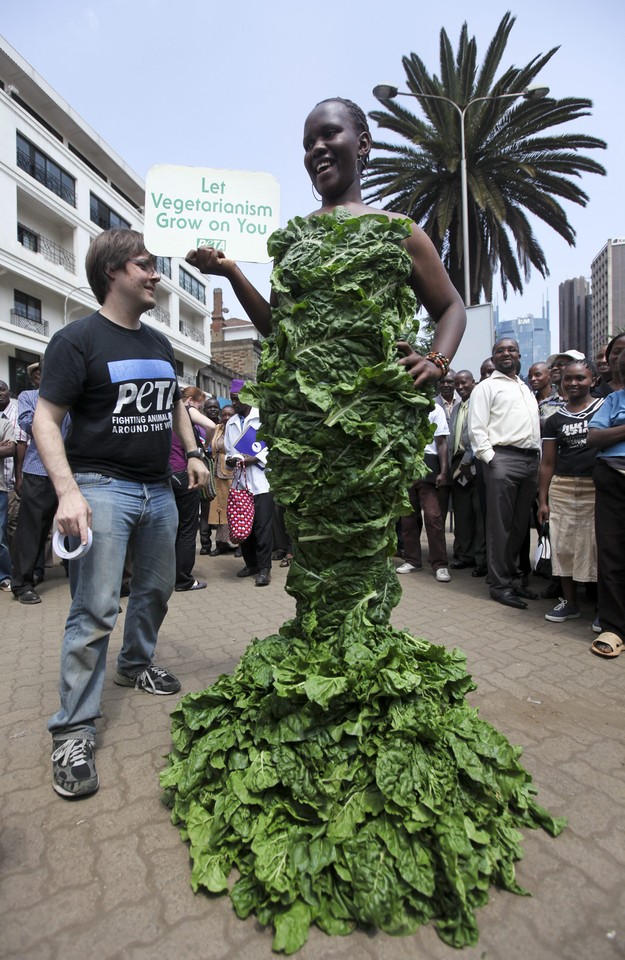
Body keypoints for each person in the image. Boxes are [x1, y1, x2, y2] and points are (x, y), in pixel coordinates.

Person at [164, 98, 562, 946]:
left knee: (362, 565)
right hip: (310, 435)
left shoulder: (395, 229)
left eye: (330, 136)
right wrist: (232, 275)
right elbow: (282, 332)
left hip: (372, 432)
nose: (317, 149)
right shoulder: (295, 242)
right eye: (307, 140)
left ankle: (357, 679)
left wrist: (437, 359)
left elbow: (449, 306)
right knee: (318, 571)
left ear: (362, 143)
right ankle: (327, 673)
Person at [32, 228, 208, 799]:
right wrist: (67, 492)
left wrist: (196, 453)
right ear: (113, 271)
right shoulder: (76, 340)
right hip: (100, 486)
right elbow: (45, 419)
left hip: (159, 489)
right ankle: (73, 729)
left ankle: (135, 665)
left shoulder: (159, 343)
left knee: (156, 591)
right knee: (95, 609)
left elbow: (175, 402)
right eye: (144, 265)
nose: (155, 274)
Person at [468, 338, 541, 609]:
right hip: (503, 460)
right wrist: (492, 460)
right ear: (494, 357)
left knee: (520, 527)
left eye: (511, 349)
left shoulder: (524, 387)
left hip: (530, 462)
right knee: (500, 527)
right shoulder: (486, 387)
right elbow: (477, 429)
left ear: (519, 354)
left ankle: (514, 580)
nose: (506, 353)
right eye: (500, 350)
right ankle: (499, 586)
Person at [537, 360, 603, 624]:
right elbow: (547, 463)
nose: (573, 383)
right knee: (563, 545)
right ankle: (569, 603)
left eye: (580, 378)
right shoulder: (555, 419)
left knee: (597, 546)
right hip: (562, 487)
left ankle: (603, 608)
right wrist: (543, 500)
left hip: (596, 487)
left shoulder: (604, 408)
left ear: (593, 380)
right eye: (568, 379)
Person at [10, 361, 70, 604]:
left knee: (75, 526)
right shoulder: (29, 397)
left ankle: (76, 574)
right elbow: (28, 424)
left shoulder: (74, 397)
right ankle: (22, 584)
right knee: (32, 528)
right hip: (39, 471)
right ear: (39, 376)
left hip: (73, 472)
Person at [587, 343, 625, 658]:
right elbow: (594, 437)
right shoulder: (614, 400)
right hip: (613, 479)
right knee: (611, 553)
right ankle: (614, 628)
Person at [224, 378, 273, 586]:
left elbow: (272, 447)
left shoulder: (262, 418)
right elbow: (229, 451)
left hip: (262, 483)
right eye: (231, 399)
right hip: (241, 484)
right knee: (244, 525)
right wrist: (230, 461)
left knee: (262, 527)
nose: (234, 403)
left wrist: (255, 459)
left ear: (248, 397)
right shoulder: (231, 423)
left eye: (237, 399)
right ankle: (250, 564)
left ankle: (264, 568)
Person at [397, 404, 451, 581]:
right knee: (407, 517)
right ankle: (412, 560)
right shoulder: (404, 407)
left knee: (433, 516)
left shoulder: (435, 409)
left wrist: (443, 471)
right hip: (407, 465)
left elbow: (441, 442)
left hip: (428, 465)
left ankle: (440, 564)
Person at [170, 386, 215, 592]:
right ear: (190, 400)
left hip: (164, 474)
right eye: (200, 404)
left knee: (169, 528)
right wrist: (204, 448)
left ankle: (166, 575)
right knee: (187, 529)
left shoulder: (159, 410)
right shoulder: (186, 410)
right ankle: (183, 579)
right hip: (184, 472)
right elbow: (211, 425)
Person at [448, 369, 487, 575]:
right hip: (457, 466)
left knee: (479, 514)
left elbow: (478, 434)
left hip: (475, 463)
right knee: (462, 514)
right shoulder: (456, 408)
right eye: (457, 384)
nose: (460, 387)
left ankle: (481, 559)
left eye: (464, 383)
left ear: (473, 382)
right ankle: (464, 555)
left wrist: (467, 461)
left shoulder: (479, 404)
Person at [0, 379, 27, 555]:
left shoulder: (17, 413)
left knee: (13, 524)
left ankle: (15, 565)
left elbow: (16, 447)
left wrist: (19, 478)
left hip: (14, 478)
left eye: (2, 389)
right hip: (2, 481)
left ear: (8, 391)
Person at [207, 403, 236, 554]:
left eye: (230, 415)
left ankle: (240, 543)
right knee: (219, 509)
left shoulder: (238, 430)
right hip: (216, 474)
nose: (226, 417)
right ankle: (221, 543)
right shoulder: (217, 428)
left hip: (232, 474)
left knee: (234, 509)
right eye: (224, 415)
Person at [0, 409, 16, 590]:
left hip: (0, 489)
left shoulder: (4, 423)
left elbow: (10, 449)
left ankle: (4, 576)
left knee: (0, 537)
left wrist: (4, 448)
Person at [528, 361, 563, 425]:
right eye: (530, 377)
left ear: (549, 376)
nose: (532, 379)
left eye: (538, 375)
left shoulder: (561, 399)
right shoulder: (530, 401)